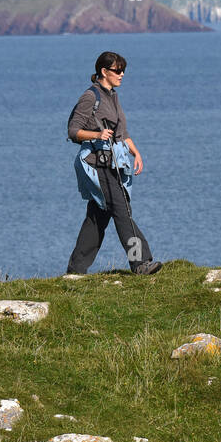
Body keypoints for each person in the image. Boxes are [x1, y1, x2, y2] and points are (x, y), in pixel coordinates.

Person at [66, 51, 162, 275]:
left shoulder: (114, 96)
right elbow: (72, 131)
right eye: (117, 70)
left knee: (97, 219)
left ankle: (74, 270)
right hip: (97, 167)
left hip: (115, 166)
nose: (122, 74)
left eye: (123, 70)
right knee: (122, 211)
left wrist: (136, 153)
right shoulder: (90, 97)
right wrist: (96, 136)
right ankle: (140, 264)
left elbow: (122, 133)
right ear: (103, 72)